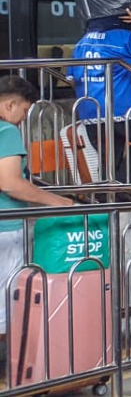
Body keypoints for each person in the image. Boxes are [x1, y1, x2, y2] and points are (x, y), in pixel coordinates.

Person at [0, 77, 76, 343]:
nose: (23, 119)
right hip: (6, 231)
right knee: (5, 312)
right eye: (24, 111)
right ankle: (15, 364)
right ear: (10, 104)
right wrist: (59, 202)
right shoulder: (6, 131)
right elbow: (10, 183)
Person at [67, 4, 131, 192]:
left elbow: (72, 80)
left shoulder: (81, 43)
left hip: (91, 113)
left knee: (110, 159)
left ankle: (110, 195)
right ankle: (117, 188)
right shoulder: (123, 37)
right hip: (124, 110)